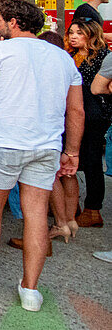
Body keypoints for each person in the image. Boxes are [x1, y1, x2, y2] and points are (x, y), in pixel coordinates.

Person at [0, 0, 84, 312]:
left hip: (5, 142)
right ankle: (30, 290)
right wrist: (72, 151)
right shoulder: (63, 57)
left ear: (12, 22)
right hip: (47, 145)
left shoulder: (0, 49)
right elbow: (76, 110)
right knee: (37, 213)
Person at [62, 19, 109, 228]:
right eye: (71, 32)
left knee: (92, 161)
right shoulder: (69, 54)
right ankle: (72, 206)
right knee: (71, 158)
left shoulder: (101, 56)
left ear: (90, 35)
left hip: (93, 113)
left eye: (79, 33)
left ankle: (93, 209)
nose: (73, 36)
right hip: (73, 112)